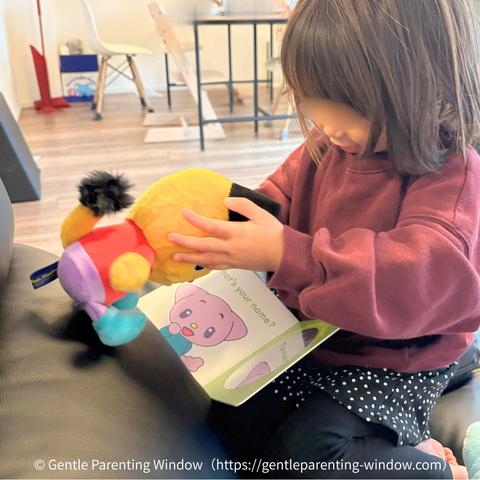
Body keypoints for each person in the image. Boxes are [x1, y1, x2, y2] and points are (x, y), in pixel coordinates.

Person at [166, 0, 480, 478]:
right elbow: (273, 200)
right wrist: (221, 227)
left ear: (425, 87)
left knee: (309, 453)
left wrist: (288, 255)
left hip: (398, 359)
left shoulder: (450, 176)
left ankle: (441, 470)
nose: (329, 127)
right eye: (314, 104)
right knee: (230, 414)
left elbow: (413, 279)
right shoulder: (325, 147)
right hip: (314, 338)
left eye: (349, 110)